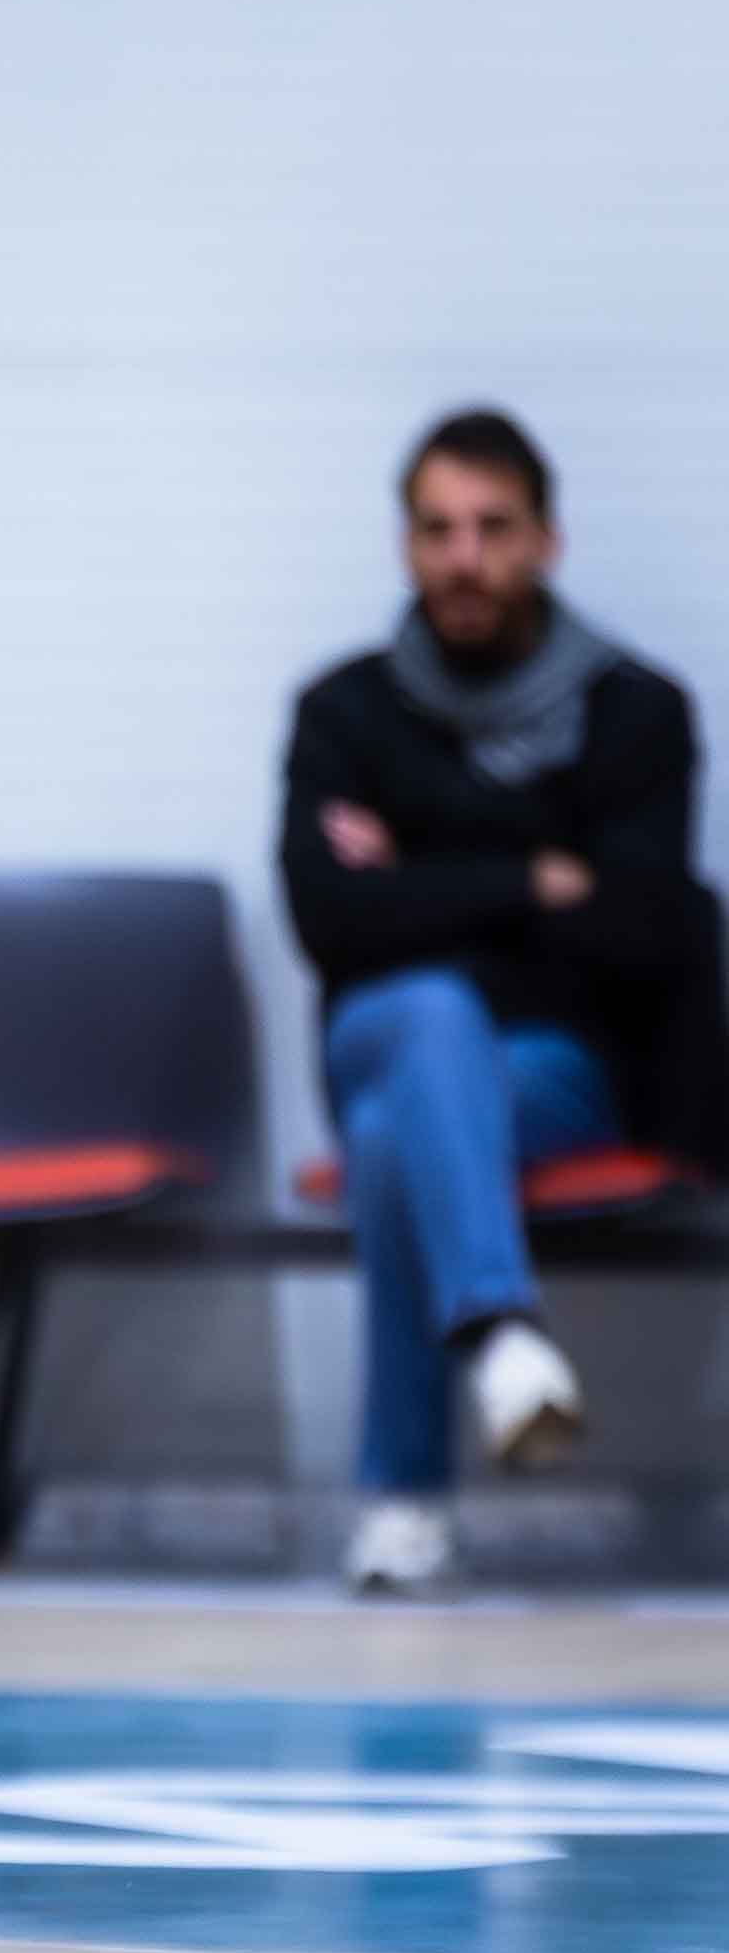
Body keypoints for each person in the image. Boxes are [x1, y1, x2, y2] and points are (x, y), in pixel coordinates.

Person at [282, 407, 725, 1595]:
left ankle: (405, 1505)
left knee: (394, 1134)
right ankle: (496, 1330)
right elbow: (327, 920)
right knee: (425, 1012)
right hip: (375, 1031)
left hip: (556, 1062)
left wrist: (415, 874)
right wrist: (531, 876)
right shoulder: (339, 712)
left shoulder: (635, 710)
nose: (462, 557)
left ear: (545, 539)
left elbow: (640, 928)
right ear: (404, 544)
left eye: (490, 527)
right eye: (436, 530)